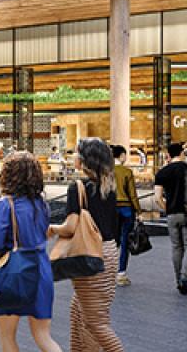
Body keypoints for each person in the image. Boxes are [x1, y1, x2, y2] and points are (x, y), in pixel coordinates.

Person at [0, 151, 59, 352]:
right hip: (40, 268)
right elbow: (44, 233)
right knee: (43, 336)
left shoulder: (5, 203)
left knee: (7, 337)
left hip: (13, 272)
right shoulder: (41, 204)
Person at [55, 138, 121, 352]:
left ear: (85, 160)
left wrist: (50, 229)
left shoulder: (78, 187)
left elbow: (70, 227)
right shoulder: (109, 186)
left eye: (76, 153)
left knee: (96, 322)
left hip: (90, 254)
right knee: (79, 312)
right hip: (109, 252)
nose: (73, 156)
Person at [154, 141, 187, 295]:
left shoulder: (162, 172)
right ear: (182, 154)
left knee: (176, 246)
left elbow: (157, 198)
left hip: (172, 214)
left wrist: (167, 208)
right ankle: (184, 277)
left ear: (168, 155)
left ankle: (178, 280)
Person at [110, 145, 141, 285]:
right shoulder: (127, 172)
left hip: (111, 209)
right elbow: (133, 194)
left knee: (111, 241)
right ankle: (121, 274)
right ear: (121, 156)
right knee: (124, 241)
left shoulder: (106, 172)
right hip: (127, 209)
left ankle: (107, 272)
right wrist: (139, 211)